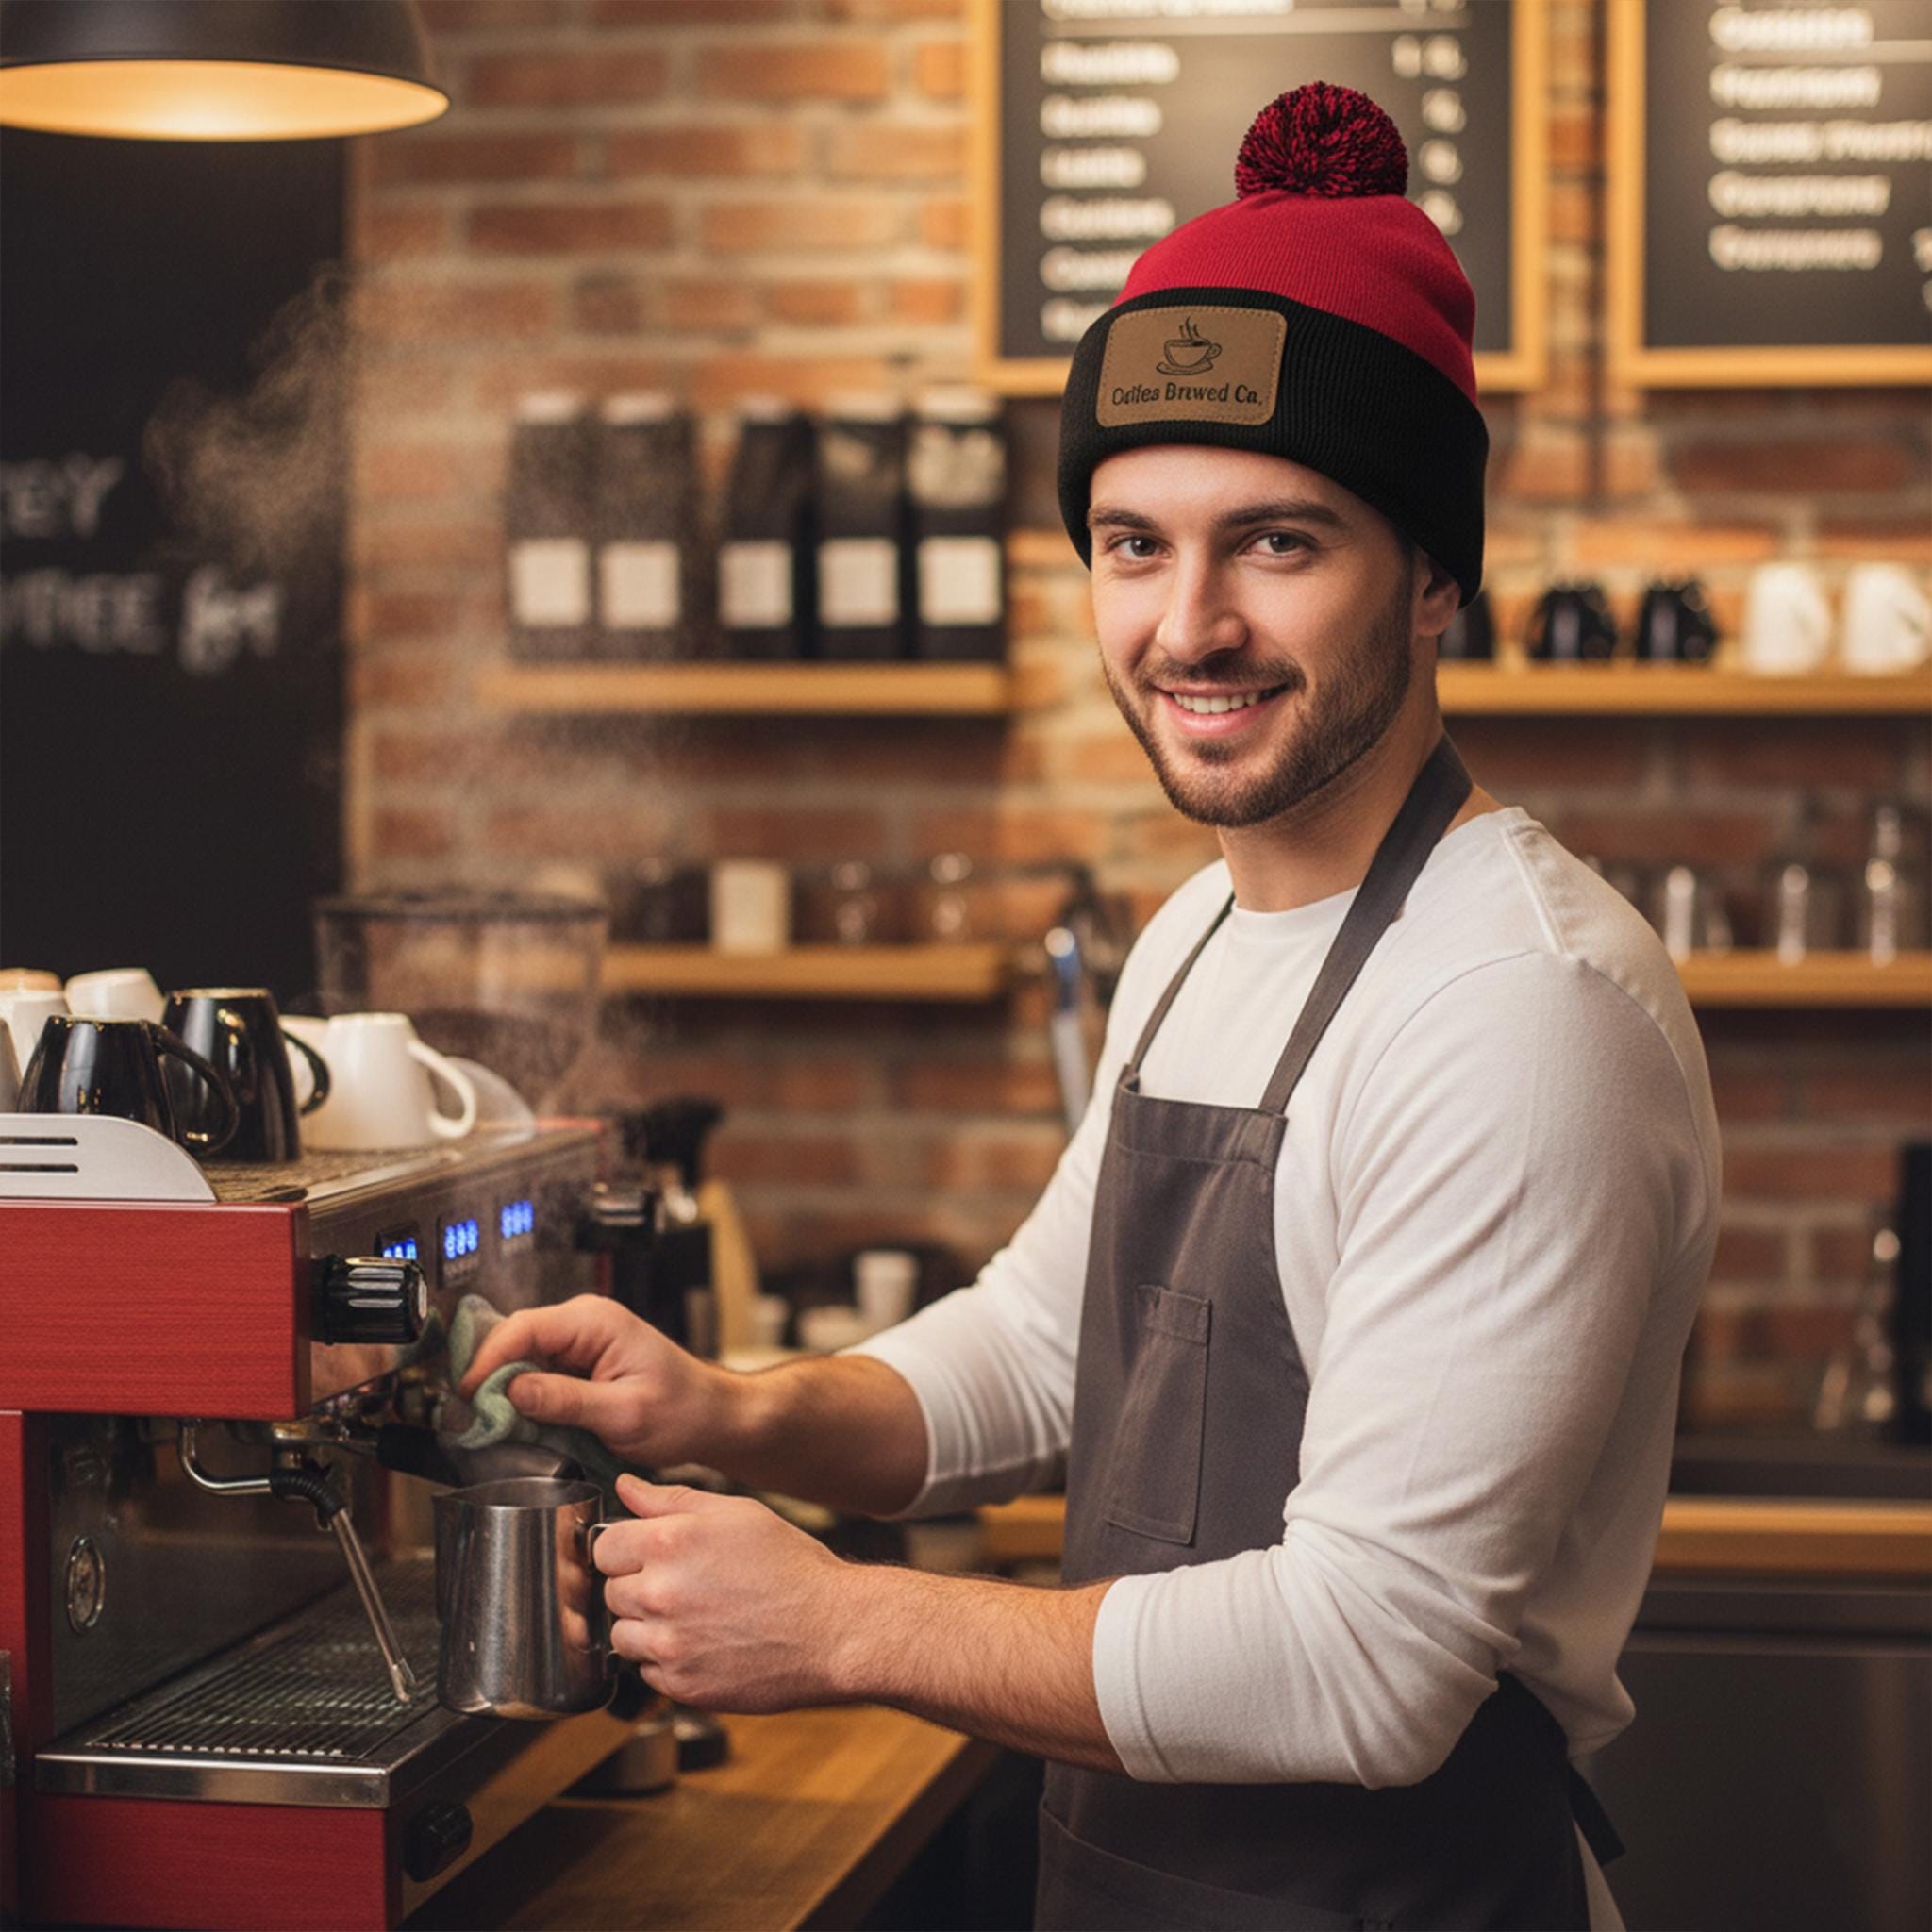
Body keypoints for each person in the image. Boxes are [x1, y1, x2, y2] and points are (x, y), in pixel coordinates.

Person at [463, 84, 1719, 1932]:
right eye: (1133, 543)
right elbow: (1052, 1345)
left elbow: (1367, 1661)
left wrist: (838, 1618)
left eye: (1275, 541)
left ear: (1433, 573)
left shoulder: (1516, 1004)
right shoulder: (1198, 933)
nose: (1186, 625)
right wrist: (738, 1411)